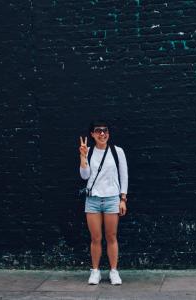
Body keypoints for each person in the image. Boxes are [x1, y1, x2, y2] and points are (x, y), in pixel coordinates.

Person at [79, 120, 128, 285]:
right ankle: (95, 271)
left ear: (108, 133)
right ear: (92, 134)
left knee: (111, 236)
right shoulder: (90, 151)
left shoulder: (117, 151)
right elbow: (84, 176)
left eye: (105, 130)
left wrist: (123, 199)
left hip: (112, 198)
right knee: (95, 238)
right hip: (92, 199)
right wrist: (83, 157)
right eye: (98, 131)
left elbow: (124, 175)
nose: (102, 134)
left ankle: (114, 271)